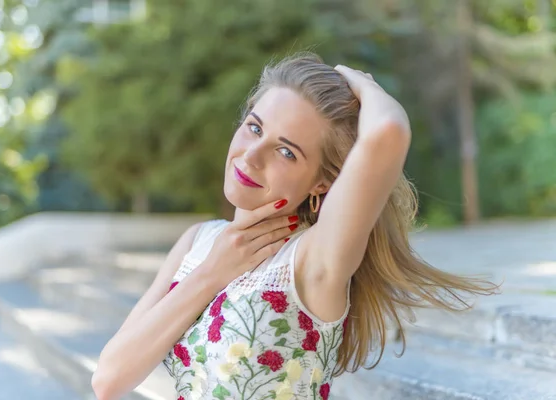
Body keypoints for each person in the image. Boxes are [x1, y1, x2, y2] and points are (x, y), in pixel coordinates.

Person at [91, 53, 500, 400]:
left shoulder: (312, 260)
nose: (251, 156)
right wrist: (211, 274)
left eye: (286, 152)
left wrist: (364, 86)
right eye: (254, 127)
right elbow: (109, 379)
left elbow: (388, 132)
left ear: (322, 183)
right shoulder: (198, 242)